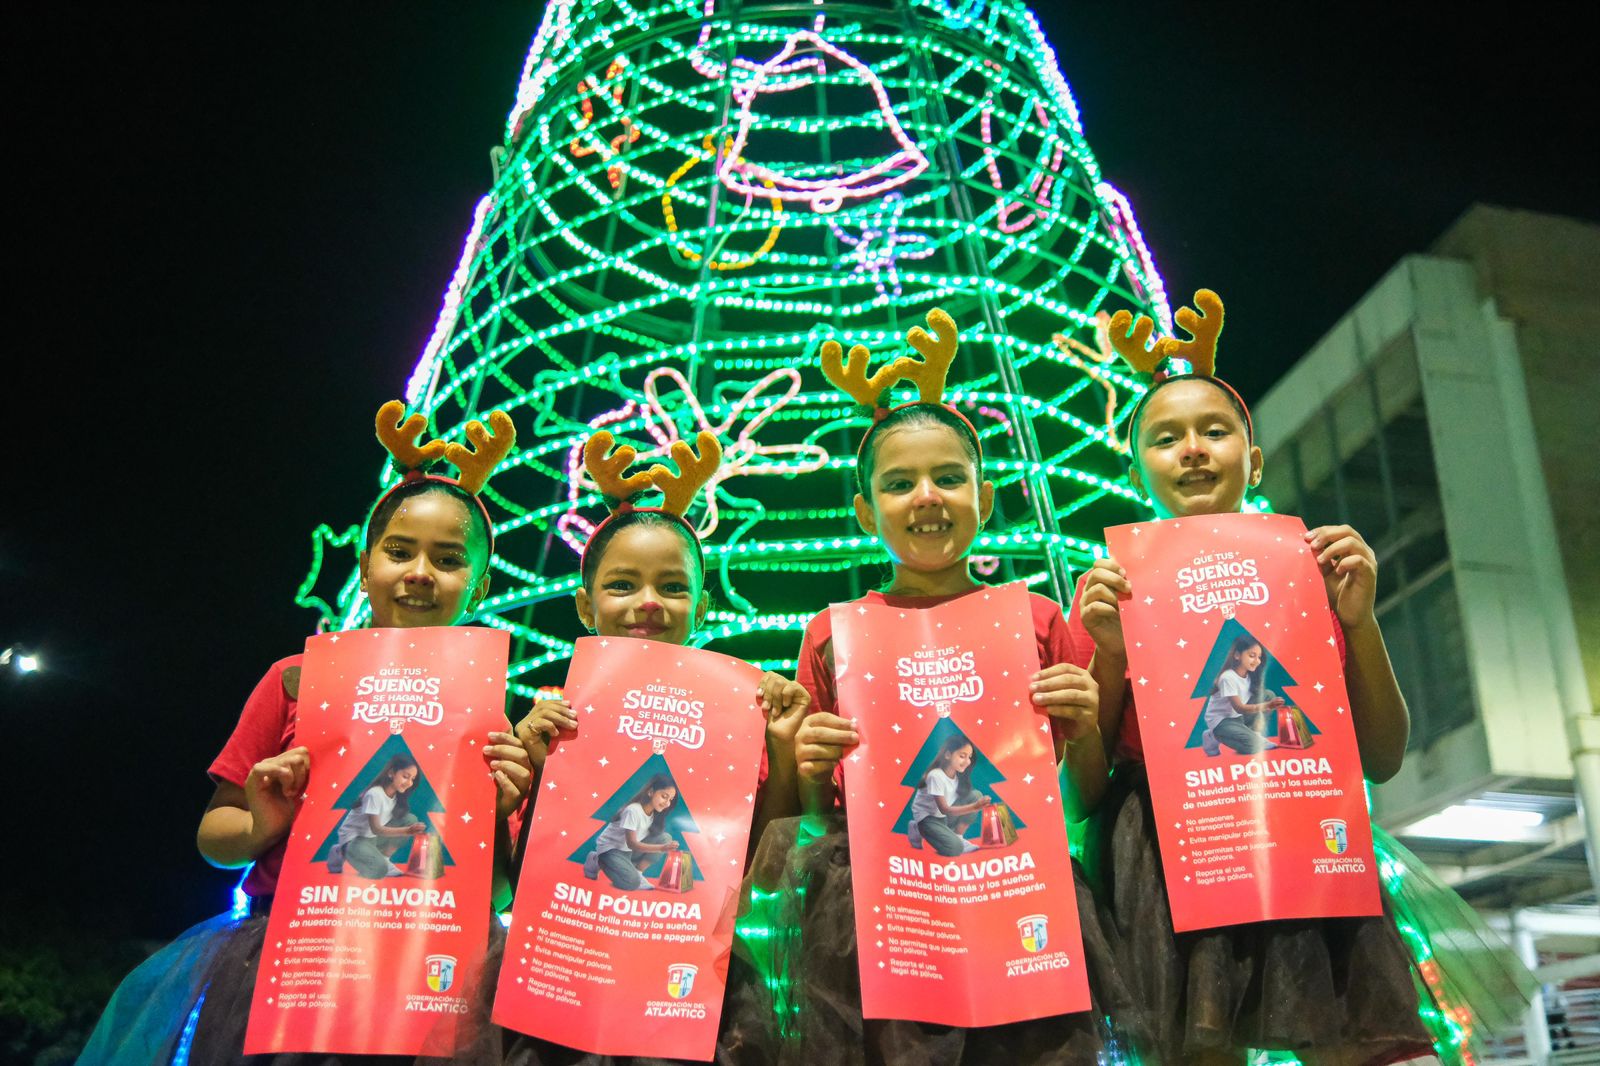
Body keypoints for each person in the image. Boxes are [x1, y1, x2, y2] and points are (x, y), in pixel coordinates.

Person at [81, 401, 534, 1065]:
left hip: (426, 974)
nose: (418, 573)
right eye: (400, 551)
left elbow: (494, 893)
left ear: (479, 584)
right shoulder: (297, 678)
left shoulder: (491, 712)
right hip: (289, 966)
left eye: (448, 560)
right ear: (365, 560)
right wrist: (264, 819)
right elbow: (216, 839)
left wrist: (493, 813)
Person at [744, 309, 1139, 1065]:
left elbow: (1084, 800)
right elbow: (800, 827)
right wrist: (806, 761)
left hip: (1022, 904)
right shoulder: (834, 633)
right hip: (882, 926)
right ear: (865, 513)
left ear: (985, 500)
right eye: (899, 484)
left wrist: (1086, 725)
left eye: (950, 477)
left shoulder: (1038, 619)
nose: (927, 496)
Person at [1072, 290, 1436, 1064]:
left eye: (1215, 431)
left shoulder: (1317, 571)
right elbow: (1085, 792)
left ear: (1254, 456)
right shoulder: (1112, 592)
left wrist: (1360, 621)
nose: (1193, 449)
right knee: (1201, 1045)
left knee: (1361, 1041)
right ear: (1138, 465)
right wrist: (1109, 652)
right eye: (1167, 439)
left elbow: (1384, 756)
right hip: (1175, 856)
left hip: (1306, 832)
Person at [500, 429, 801, 1065]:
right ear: (584, 605)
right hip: (560, 987)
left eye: (672, 586)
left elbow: (763, 874)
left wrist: (778, 746)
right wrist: (523, 767)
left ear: (702, 605)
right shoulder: (553, 723)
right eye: (621, 585)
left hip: (689, 996)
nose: (648, 603)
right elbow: (509, 886)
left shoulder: (740, 714)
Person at [328, 754, 429, 878]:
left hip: (372, 839)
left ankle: (384, 858)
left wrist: (408, 828)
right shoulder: (374, 794)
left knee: (410, 819)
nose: (409, 783)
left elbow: (379, 830)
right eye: (405, 776)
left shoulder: (396, 796)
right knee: (378, 871)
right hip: (354, 840)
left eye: (413, 779)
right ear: (391, 773)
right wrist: (407, 831)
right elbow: (376, 828)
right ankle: (341, 850)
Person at [584, 774, 682, 889]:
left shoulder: (654, 814)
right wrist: (661, 848)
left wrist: (663, 845)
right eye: (664, 796)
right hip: (611, 850)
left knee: (665, 838)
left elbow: (633, 845)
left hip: (627, 852)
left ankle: (638, 872)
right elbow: (632, 843)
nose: (667, 803)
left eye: (670, 799)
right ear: (651, 792)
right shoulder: (633, 810)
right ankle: (597, 859)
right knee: (631, 883)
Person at [1201, 637, 1284, 757]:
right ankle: (1213, 736)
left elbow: (1251, 703)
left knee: (1268, 695)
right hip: (1222, 721)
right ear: (1237, 655)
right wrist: (1266, 706)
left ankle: (1254, 734)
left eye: (1259, 657)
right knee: (1254, 746)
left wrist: (1267, 704)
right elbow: (1239, 708)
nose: (1257, 661)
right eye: (1252, 655)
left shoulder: (1250, 675)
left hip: (1238, 718)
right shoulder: (1228, 677)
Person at [908, 737, 989, 855]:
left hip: (943, 818)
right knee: (955, 849)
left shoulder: (957, 774)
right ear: (947, 755)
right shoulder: (935, 775)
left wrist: (974, 804)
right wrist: (974, 807)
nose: (967, 762)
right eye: (962, 756)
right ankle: (918, 828)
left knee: (975, 795)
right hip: (928, 818)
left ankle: (958, 837)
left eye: (969, 757)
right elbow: (944, 809)